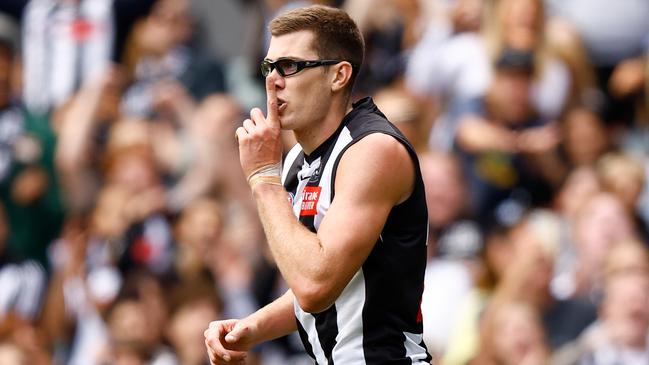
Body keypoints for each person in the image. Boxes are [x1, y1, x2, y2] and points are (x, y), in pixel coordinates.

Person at [204, 5, 431, 364]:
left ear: (339, 75)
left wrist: (263, 178)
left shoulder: (372, 150)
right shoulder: (298, 160)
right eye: (268, 67)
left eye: (290, 66)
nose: (273, 80)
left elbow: (316, 287)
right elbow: (333, 290)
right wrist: (253, 328)